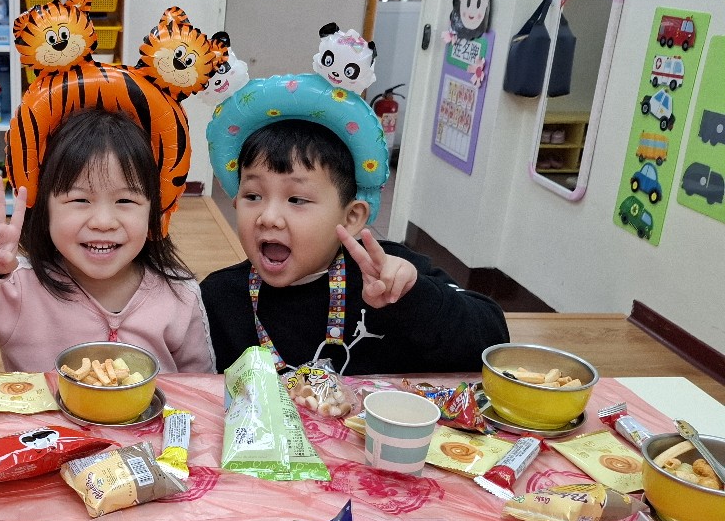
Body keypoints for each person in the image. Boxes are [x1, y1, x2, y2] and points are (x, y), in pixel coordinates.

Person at [202, 74, 508, 374]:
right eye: (253, 196)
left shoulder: (388, 274)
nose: (268, 217)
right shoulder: (218, 298)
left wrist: (413, 297)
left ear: (351, 218)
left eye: (296, 199)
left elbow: (493, 344)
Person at [0, 108, 216, 374]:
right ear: (45, 210)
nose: (103, 222)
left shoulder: (179, 296)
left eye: (125, 201)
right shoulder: (18, 291)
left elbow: (202, 392)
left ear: (154, 212)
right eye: (80, 200)